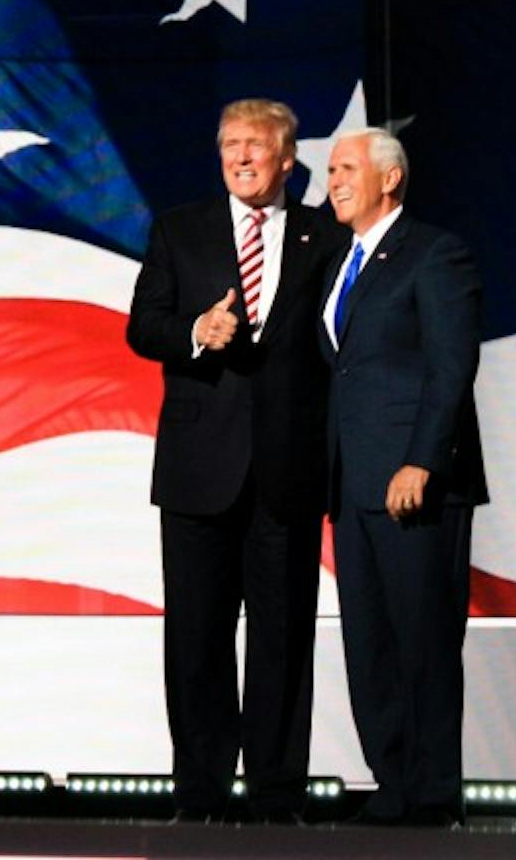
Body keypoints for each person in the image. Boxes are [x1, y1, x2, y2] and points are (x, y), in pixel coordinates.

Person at [126, 98, 347, 824]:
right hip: (198, 468)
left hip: (287, 470)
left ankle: (279, 790)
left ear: (288, 159)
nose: (241, 157)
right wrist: (196, 330)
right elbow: (143, 327)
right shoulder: (180, 230)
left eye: (255, 146)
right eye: (229, 145)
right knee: (197, 636)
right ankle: (200, 789)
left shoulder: (324, 237)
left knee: (283, 639)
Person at [318, 127, 487, 828]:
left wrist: (421, 458)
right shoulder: (339, 260)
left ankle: (432, 792)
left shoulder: (434, 252)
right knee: (370, 643)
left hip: (416, 484)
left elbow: (452, 367)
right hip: (353, 485)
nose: (332, 180)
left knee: (423, 641)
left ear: (390, 179)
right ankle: (392, 783)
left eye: (346, 167)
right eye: (328, 169)